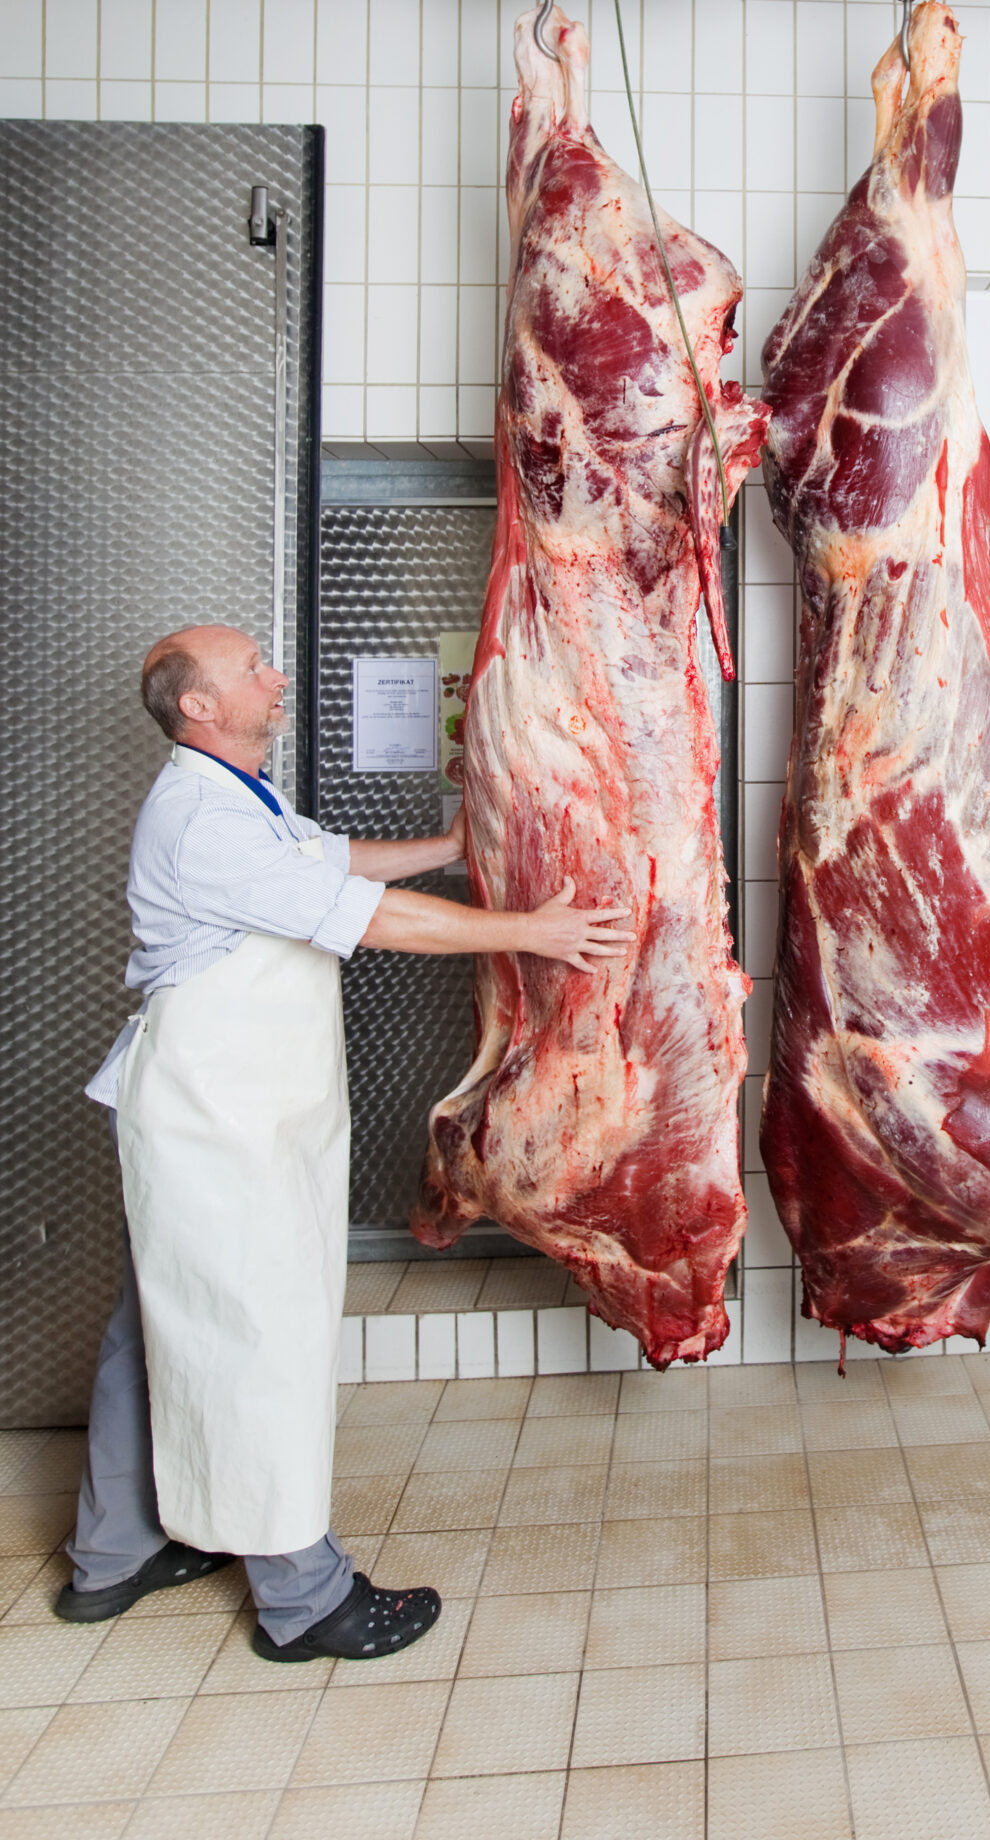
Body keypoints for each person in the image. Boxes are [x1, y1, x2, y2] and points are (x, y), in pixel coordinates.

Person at [58, 623, 632, 1663]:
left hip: (225, 1111)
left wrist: (452, 851)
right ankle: (304, 1599)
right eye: (251, 669)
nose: (275, 677)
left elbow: (332, 861)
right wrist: (531, 934)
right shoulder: (202, 821)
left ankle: (113, 1551)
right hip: (214, 1120)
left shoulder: (238, 797)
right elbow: (369, 917)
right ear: (198, 706)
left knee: (156, 1324)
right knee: (256, 1332)